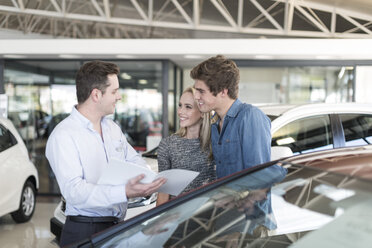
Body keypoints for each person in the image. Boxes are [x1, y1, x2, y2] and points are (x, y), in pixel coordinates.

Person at [45, 60, 166, 247]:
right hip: (84, 230)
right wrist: (123, 191)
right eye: (114, 91)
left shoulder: (112, 128)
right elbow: (74, 192)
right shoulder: (64, 135)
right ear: (96, 94)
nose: (119, 97)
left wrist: (148, 180)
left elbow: (134, 160)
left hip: (115, 227)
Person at [191, 55, 271, 179]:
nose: (196, 96)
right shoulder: (215, 124)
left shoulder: (250, 117)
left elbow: (259, 180)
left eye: (201, 91)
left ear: (223, 91)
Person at [156, 87, 216, 206]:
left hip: (210, 216)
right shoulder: (167, 145)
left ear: (203, 112)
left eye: (188, 107)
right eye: (180, 105)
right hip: (178, 218)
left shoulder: (216, 143)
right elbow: (163, 193)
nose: (180, 112)